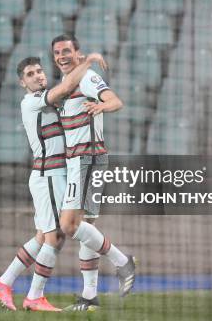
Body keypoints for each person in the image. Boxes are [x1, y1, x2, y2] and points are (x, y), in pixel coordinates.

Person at [0, 53, 107, 312]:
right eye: (30, 74)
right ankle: (34, 296)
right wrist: (86, 63)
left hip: (55, 174)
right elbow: (65, 87)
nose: (38, 76)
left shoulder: (51, 101)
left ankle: (4, 282)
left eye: (39, 71)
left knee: (44, 236)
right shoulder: (32, 101)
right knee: (55, 237)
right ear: (23, 83)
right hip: (49, 174)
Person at [50, 34, 136, 312]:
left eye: (66, 51)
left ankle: (123, 262)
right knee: (87, 227)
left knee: (69, 226)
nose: (61, 56)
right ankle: (89, 296)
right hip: (79, 160)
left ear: (77, 53)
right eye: (57, 53)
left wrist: (101, 105)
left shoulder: (87, 79)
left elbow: (115, 101)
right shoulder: (68, 83)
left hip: (87, 159)